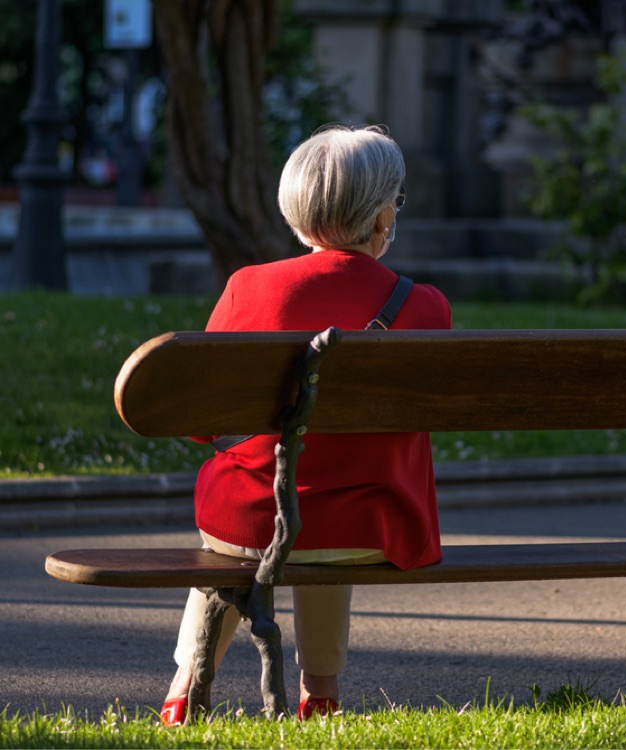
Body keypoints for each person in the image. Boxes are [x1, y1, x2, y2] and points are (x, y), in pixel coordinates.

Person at [160, 124, 452, 725]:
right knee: (330, 507)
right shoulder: (424, 306)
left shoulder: (249, 288)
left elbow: (199, 420)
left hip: (250, 521)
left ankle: (185, 687)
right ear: (379, 221)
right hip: (377, 525)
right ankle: (320, 694)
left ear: (297, 215)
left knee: (268, 509)